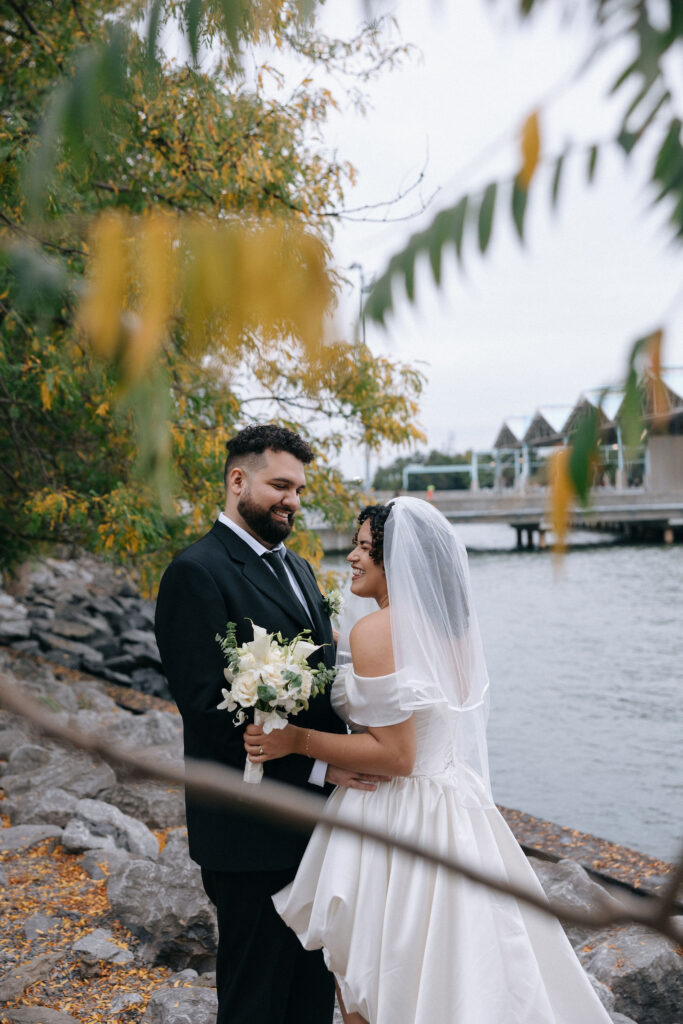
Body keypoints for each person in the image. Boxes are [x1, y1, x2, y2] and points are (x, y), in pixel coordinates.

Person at [245, 497, 614, 1024]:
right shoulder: (450, 632)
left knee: (373, 982)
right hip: (455, 807)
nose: (352, 556)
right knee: (465, 973)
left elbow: (395, 756)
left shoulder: (379, 632)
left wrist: (297, 740)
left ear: (397, 562)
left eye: (365, 548)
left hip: (395, 812)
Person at [154, 424, 385, 1024]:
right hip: (246, 828)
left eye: (300, 489)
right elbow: (207, 709)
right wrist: (319, 765)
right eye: (280, 485)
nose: (293, 500)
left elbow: (317, 685)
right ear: (238, 480)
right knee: (255, 996)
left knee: (310, 993)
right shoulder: (196, 572)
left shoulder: (301, 569)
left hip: (312, 823)